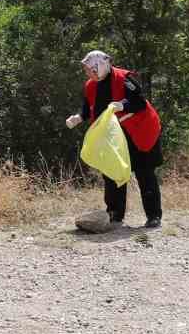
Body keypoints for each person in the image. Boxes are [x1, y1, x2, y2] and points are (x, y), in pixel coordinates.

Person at [65, 50, 163, 227]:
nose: (87, 73)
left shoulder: (124, 79)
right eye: (86, 70)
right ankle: (115, 215)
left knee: (144, 172)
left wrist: (123, 105)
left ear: (99, 67)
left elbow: (140, 102)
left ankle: (153, 216)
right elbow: (88, 109)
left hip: (141, 131)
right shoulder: (90, 85)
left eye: (89, 69)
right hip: (115, 135)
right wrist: (78, 118)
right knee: (111, 171)